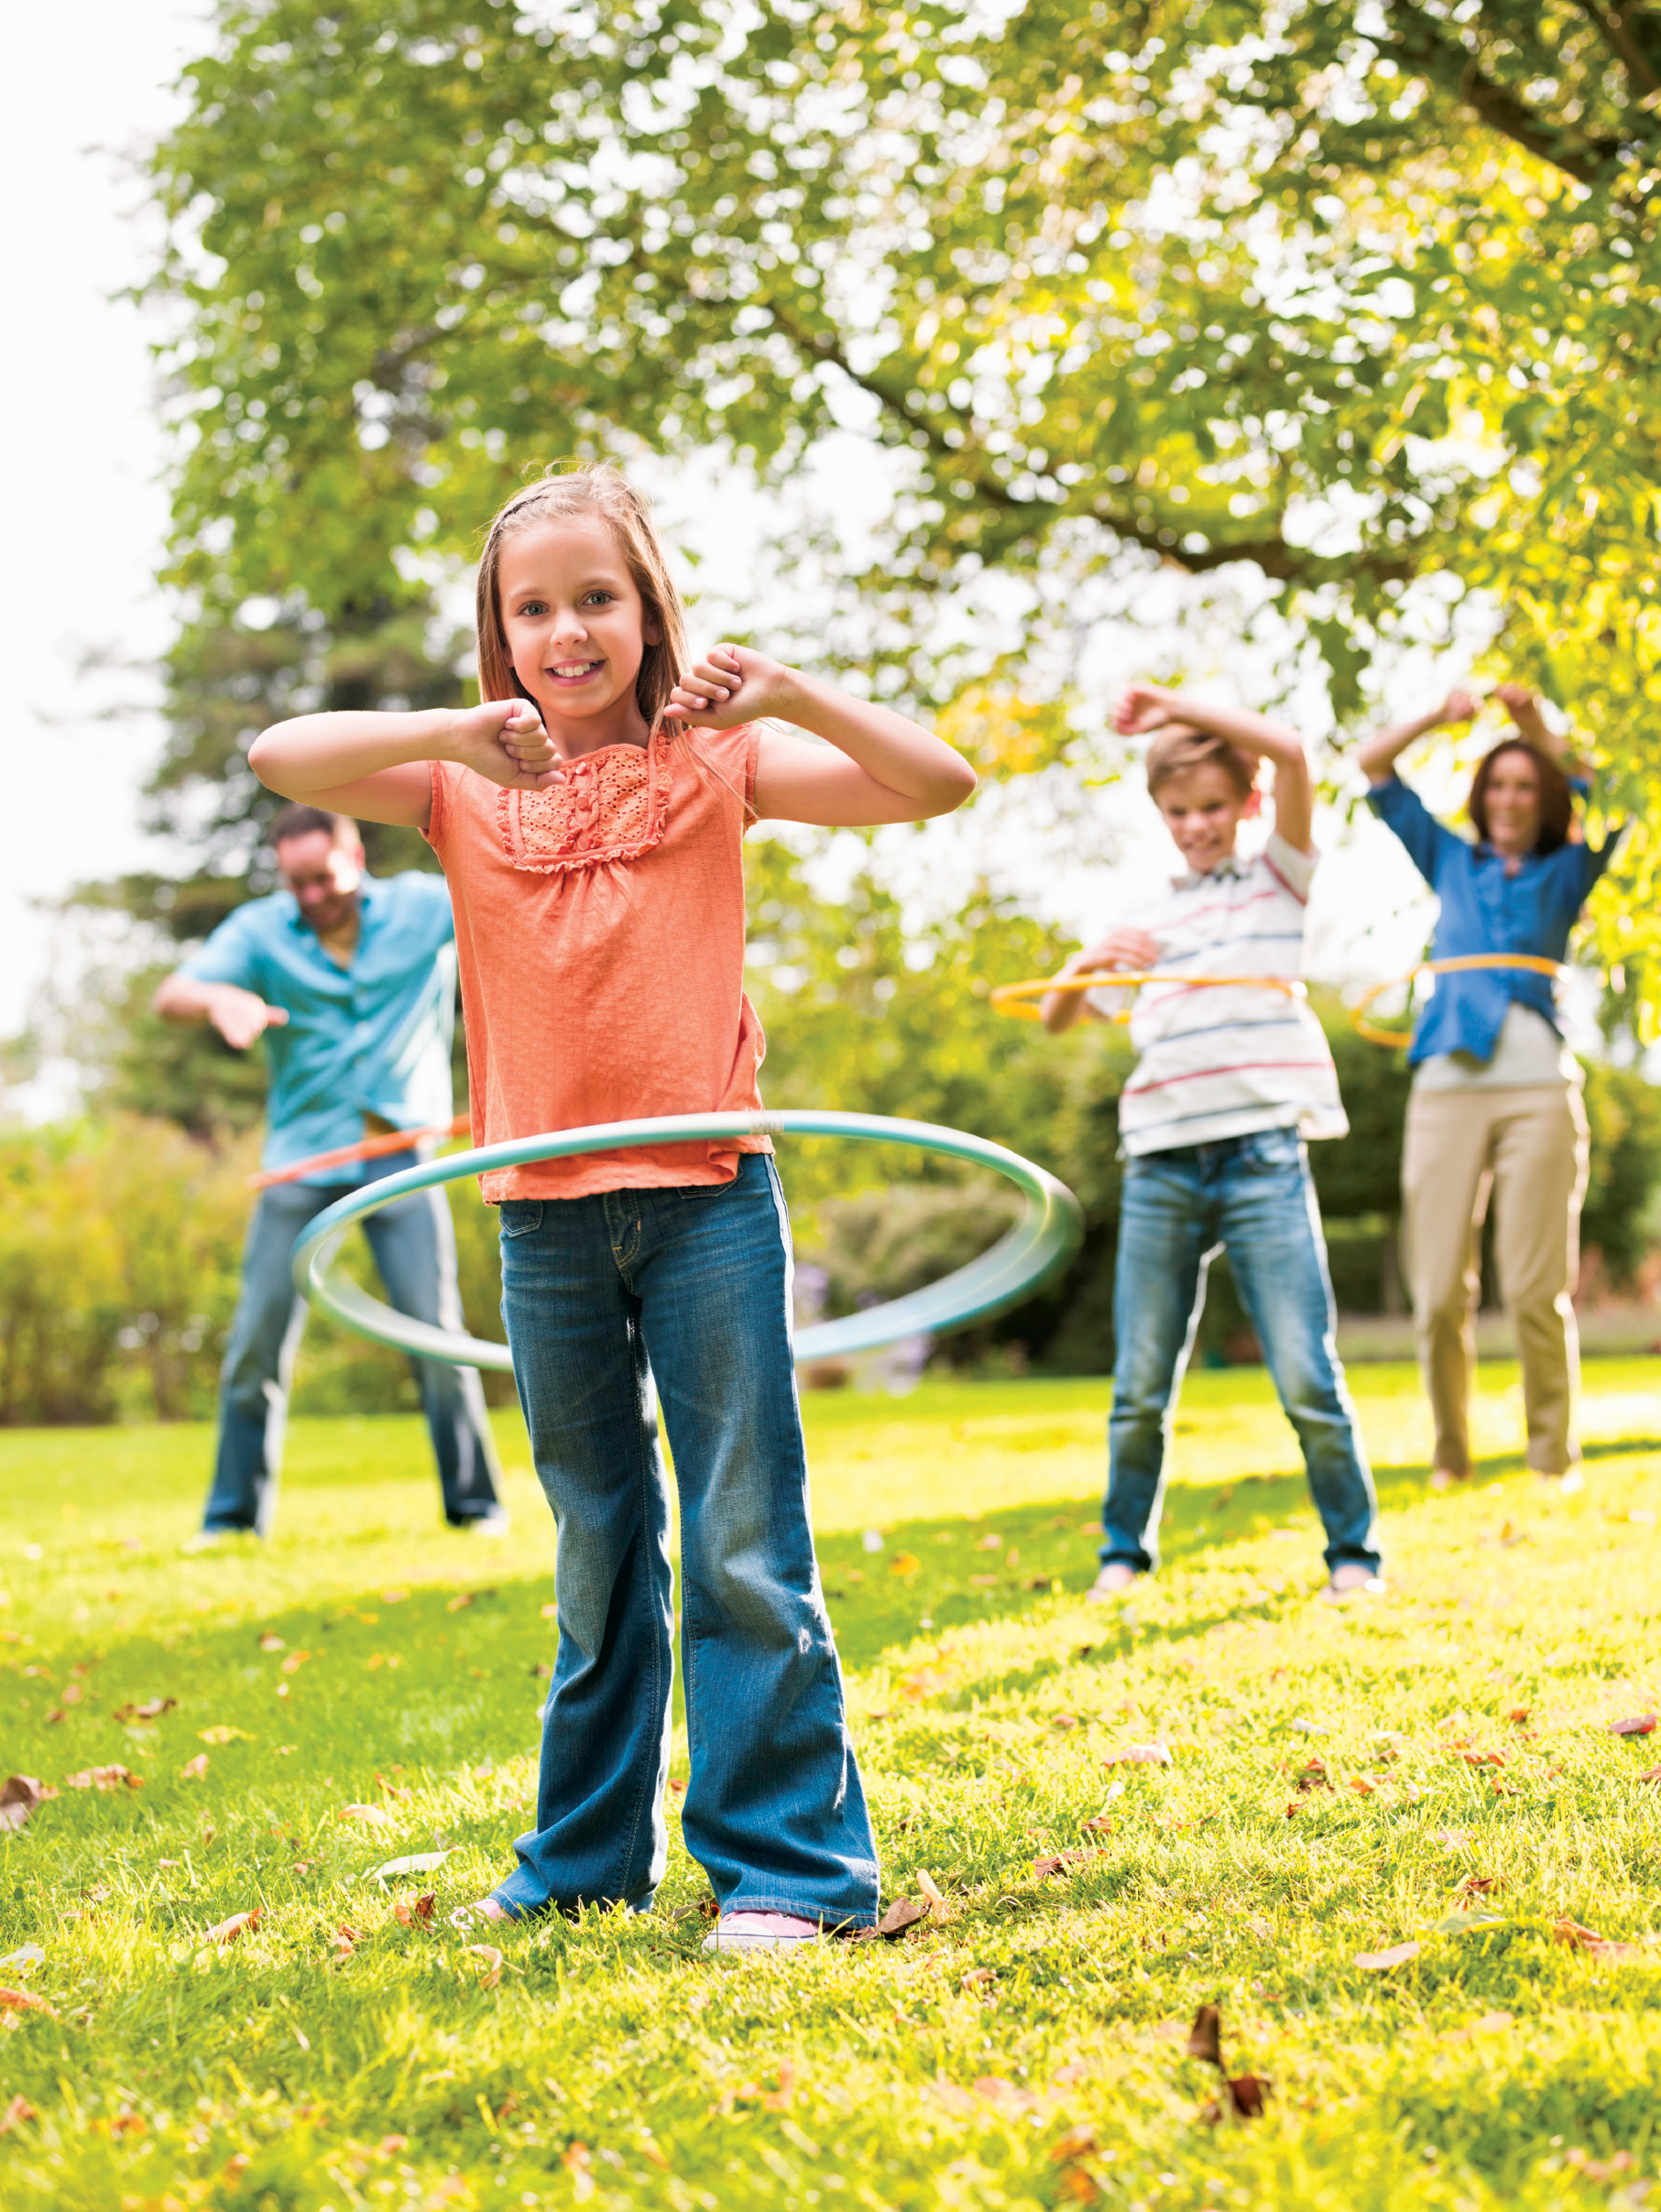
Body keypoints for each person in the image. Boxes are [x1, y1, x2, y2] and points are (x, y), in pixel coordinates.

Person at [241, 463, 978, 1950]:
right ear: (497, 632)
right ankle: (581, 1861)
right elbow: (279, 752)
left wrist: (798, 697)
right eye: (533, 608)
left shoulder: (722, 763)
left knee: (739, 1541)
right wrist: (459, 730)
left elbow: (937, 783)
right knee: (595, 1545)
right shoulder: (457, 785)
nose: (567, 630)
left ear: (646, 612)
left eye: (596, 599)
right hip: (542, 1214)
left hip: (709, 1195)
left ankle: (788, 1876)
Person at [1043, 683, 1382, 1603]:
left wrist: (1172, 707)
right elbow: (1055, 1017)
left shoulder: (1279, 879)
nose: (1195, 826)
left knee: (1307, 1373)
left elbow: (1295, 751)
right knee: (1140, 1382)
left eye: (1212, 808)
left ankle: (1353, 1555)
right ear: (1159, 815)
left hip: (1263, 1154)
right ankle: (1123, 1553)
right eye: (1178, 812)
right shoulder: (1149, 915)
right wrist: (1084, 967)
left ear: (1248, 805)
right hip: (1159, 1158)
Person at [155, 807, 508, 1542]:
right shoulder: (259, 931)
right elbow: (173, 994)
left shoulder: (419, 905)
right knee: (257, 1340)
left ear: (354, 855)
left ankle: (475, 1507)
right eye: (295, 882)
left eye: (321, 877)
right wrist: (223, 998)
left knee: (435, 1333)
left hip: (399, 1161)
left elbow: (515, 907)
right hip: (300, 1160)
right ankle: (231, 1519)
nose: (310, 895)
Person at [1356, 683, 1621, 1493]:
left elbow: (1598, 785)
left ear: (1541, 799)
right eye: (1497, 784)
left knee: (1538, 1288)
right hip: (1444, 1085)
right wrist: (1438, 714)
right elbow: (1372, 764)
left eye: (1525, 785)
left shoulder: (1567, 870)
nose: (1509, 798)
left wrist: (1534, 724)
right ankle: (1449, 1452)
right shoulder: (1447, 857)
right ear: (1480, 797)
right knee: (1437, 1291)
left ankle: (1551, 1457)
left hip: (1538, 1088)